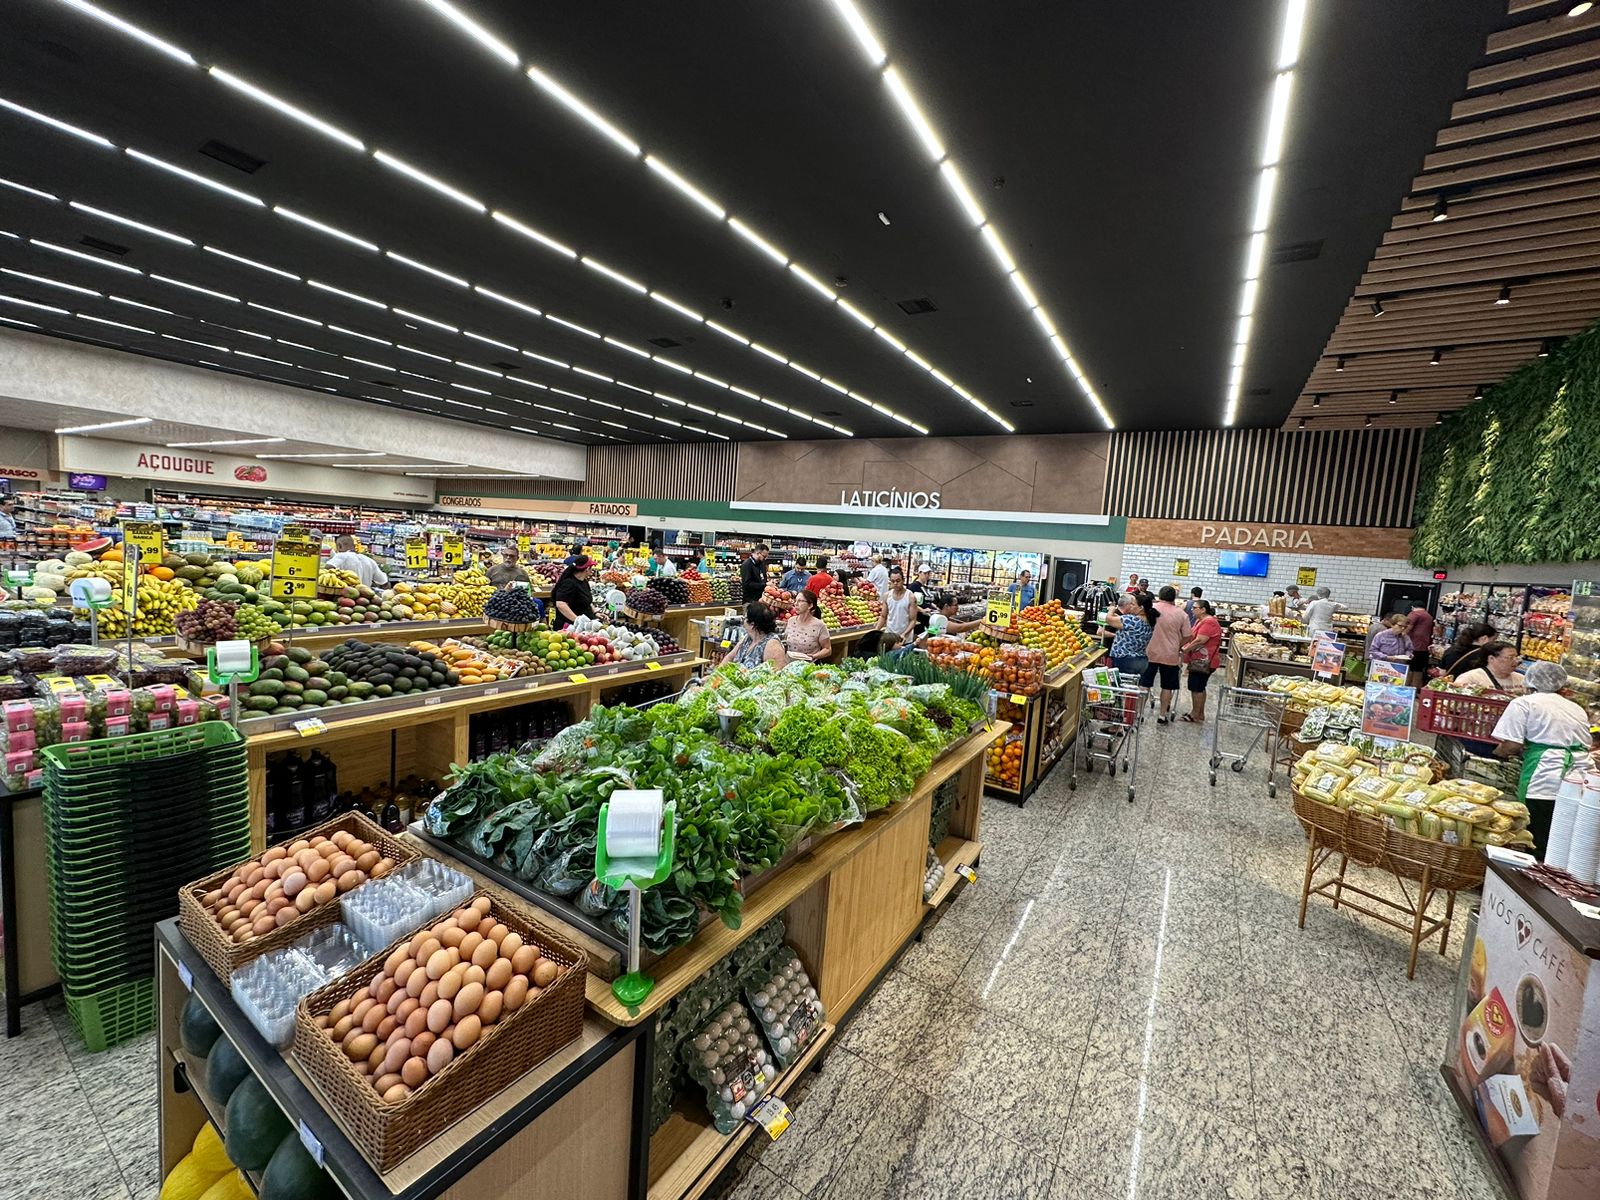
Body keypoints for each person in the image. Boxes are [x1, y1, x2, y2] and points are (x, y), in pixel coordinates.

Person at [1492, 662, 1594, 856]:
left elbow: (1512, 745)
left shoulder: (1524, 703)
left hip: (1546, 775)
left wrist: (1498, 752)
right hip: (1581, 774)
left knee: (1537, 835)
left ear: (1529, 682)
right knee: (1563, 834)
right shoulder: (1576, 708)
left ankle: (1534, 876)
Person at [1141, 585, 1192, 725]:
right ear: (1174, 598)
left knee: (1144, 684)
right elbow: (1188, 636)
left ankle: (1139, 714)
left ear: (1159, 595)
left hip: (1149, 651)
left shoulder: (1150, 609)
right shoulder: (1182, 614)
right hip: (1170, 654)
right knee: (1167, 686)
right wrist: (1178, 645)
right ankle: (1162, 715)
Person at [1180, 599, 1224, 723]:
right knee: (1200, 686)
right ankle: (1200, 713)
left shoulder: (1209, 622)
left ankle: (1194, 714)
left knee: (1196, 687)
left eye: (1195, 608)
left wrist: (1184, 649)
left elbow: (1200, 640)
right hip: (1200, 660)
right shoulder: (1201, 621)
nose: (1192, 610)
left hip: (1203, 661)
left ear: (1203, 609)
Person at [721, 602, 788, 669]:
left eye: (745, 618)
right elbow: (729, 657)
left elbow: (776, 672)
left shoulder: (772, 645)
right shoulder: (747, 638)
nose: (743, 621)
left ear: (752, 624)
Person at [1103, 594, 1153, 677]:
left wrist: (1111, 610)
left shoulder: (1130, 619)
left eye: (1133, 604)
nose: (1131, 606)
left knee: (1122, 686)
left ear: (1141, 608)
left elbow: (1108, 619)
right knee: (1134, 687)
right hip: (1142, 659)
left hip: (1125, 659)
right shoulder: (1149, 621)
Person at [1454, 642, 1526, 694]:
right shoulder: (1471, 678)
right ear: (1491, 658)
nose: (1515, 661)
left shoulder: (1521, 679)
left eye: (1516, 657)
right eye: (1510, 657)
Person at [783, 588, 832, 662]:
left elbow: (828, 649)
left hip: (809, 666)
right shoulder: (791, 621)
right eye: (795, 600)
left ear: (810, 605)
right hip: (790, 665)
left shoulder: (819, 625)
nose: (796, 604)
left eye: (800, 601)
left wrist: (814, 656)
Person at [550, 555, 595, 629]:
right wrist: (577, 620)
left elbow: (587, 601)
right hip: (570, 628)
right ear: (587, 569)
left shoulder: (584, 582)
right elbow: (560, 604)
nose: (592, 571)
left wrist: (595, 612)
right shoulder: (568, 583)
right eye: (591, 568)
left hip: (584, 626)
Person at [880, 567, 919, 640]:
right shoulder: (887, 596)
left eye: (898, 581)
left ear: (903, 580)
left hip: (905, 638)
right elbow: (883, 617)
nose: (895, 583)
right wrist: (875, 630)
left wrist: (904, 634)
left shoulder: (911, 597)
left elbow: (913, 620)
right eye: (893, 581)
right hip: (889, 637)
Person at [1404, 601, 1436, 686]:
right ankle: (1416, 688)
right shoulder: (1429, 616)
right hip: (1424, 647)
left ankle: (1406, 687)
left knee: (1409, 668)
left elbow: (1407, 626)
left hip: (1413, 645)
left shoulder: (1415, 614)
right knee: (1418, 669)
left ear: (1412, 607)